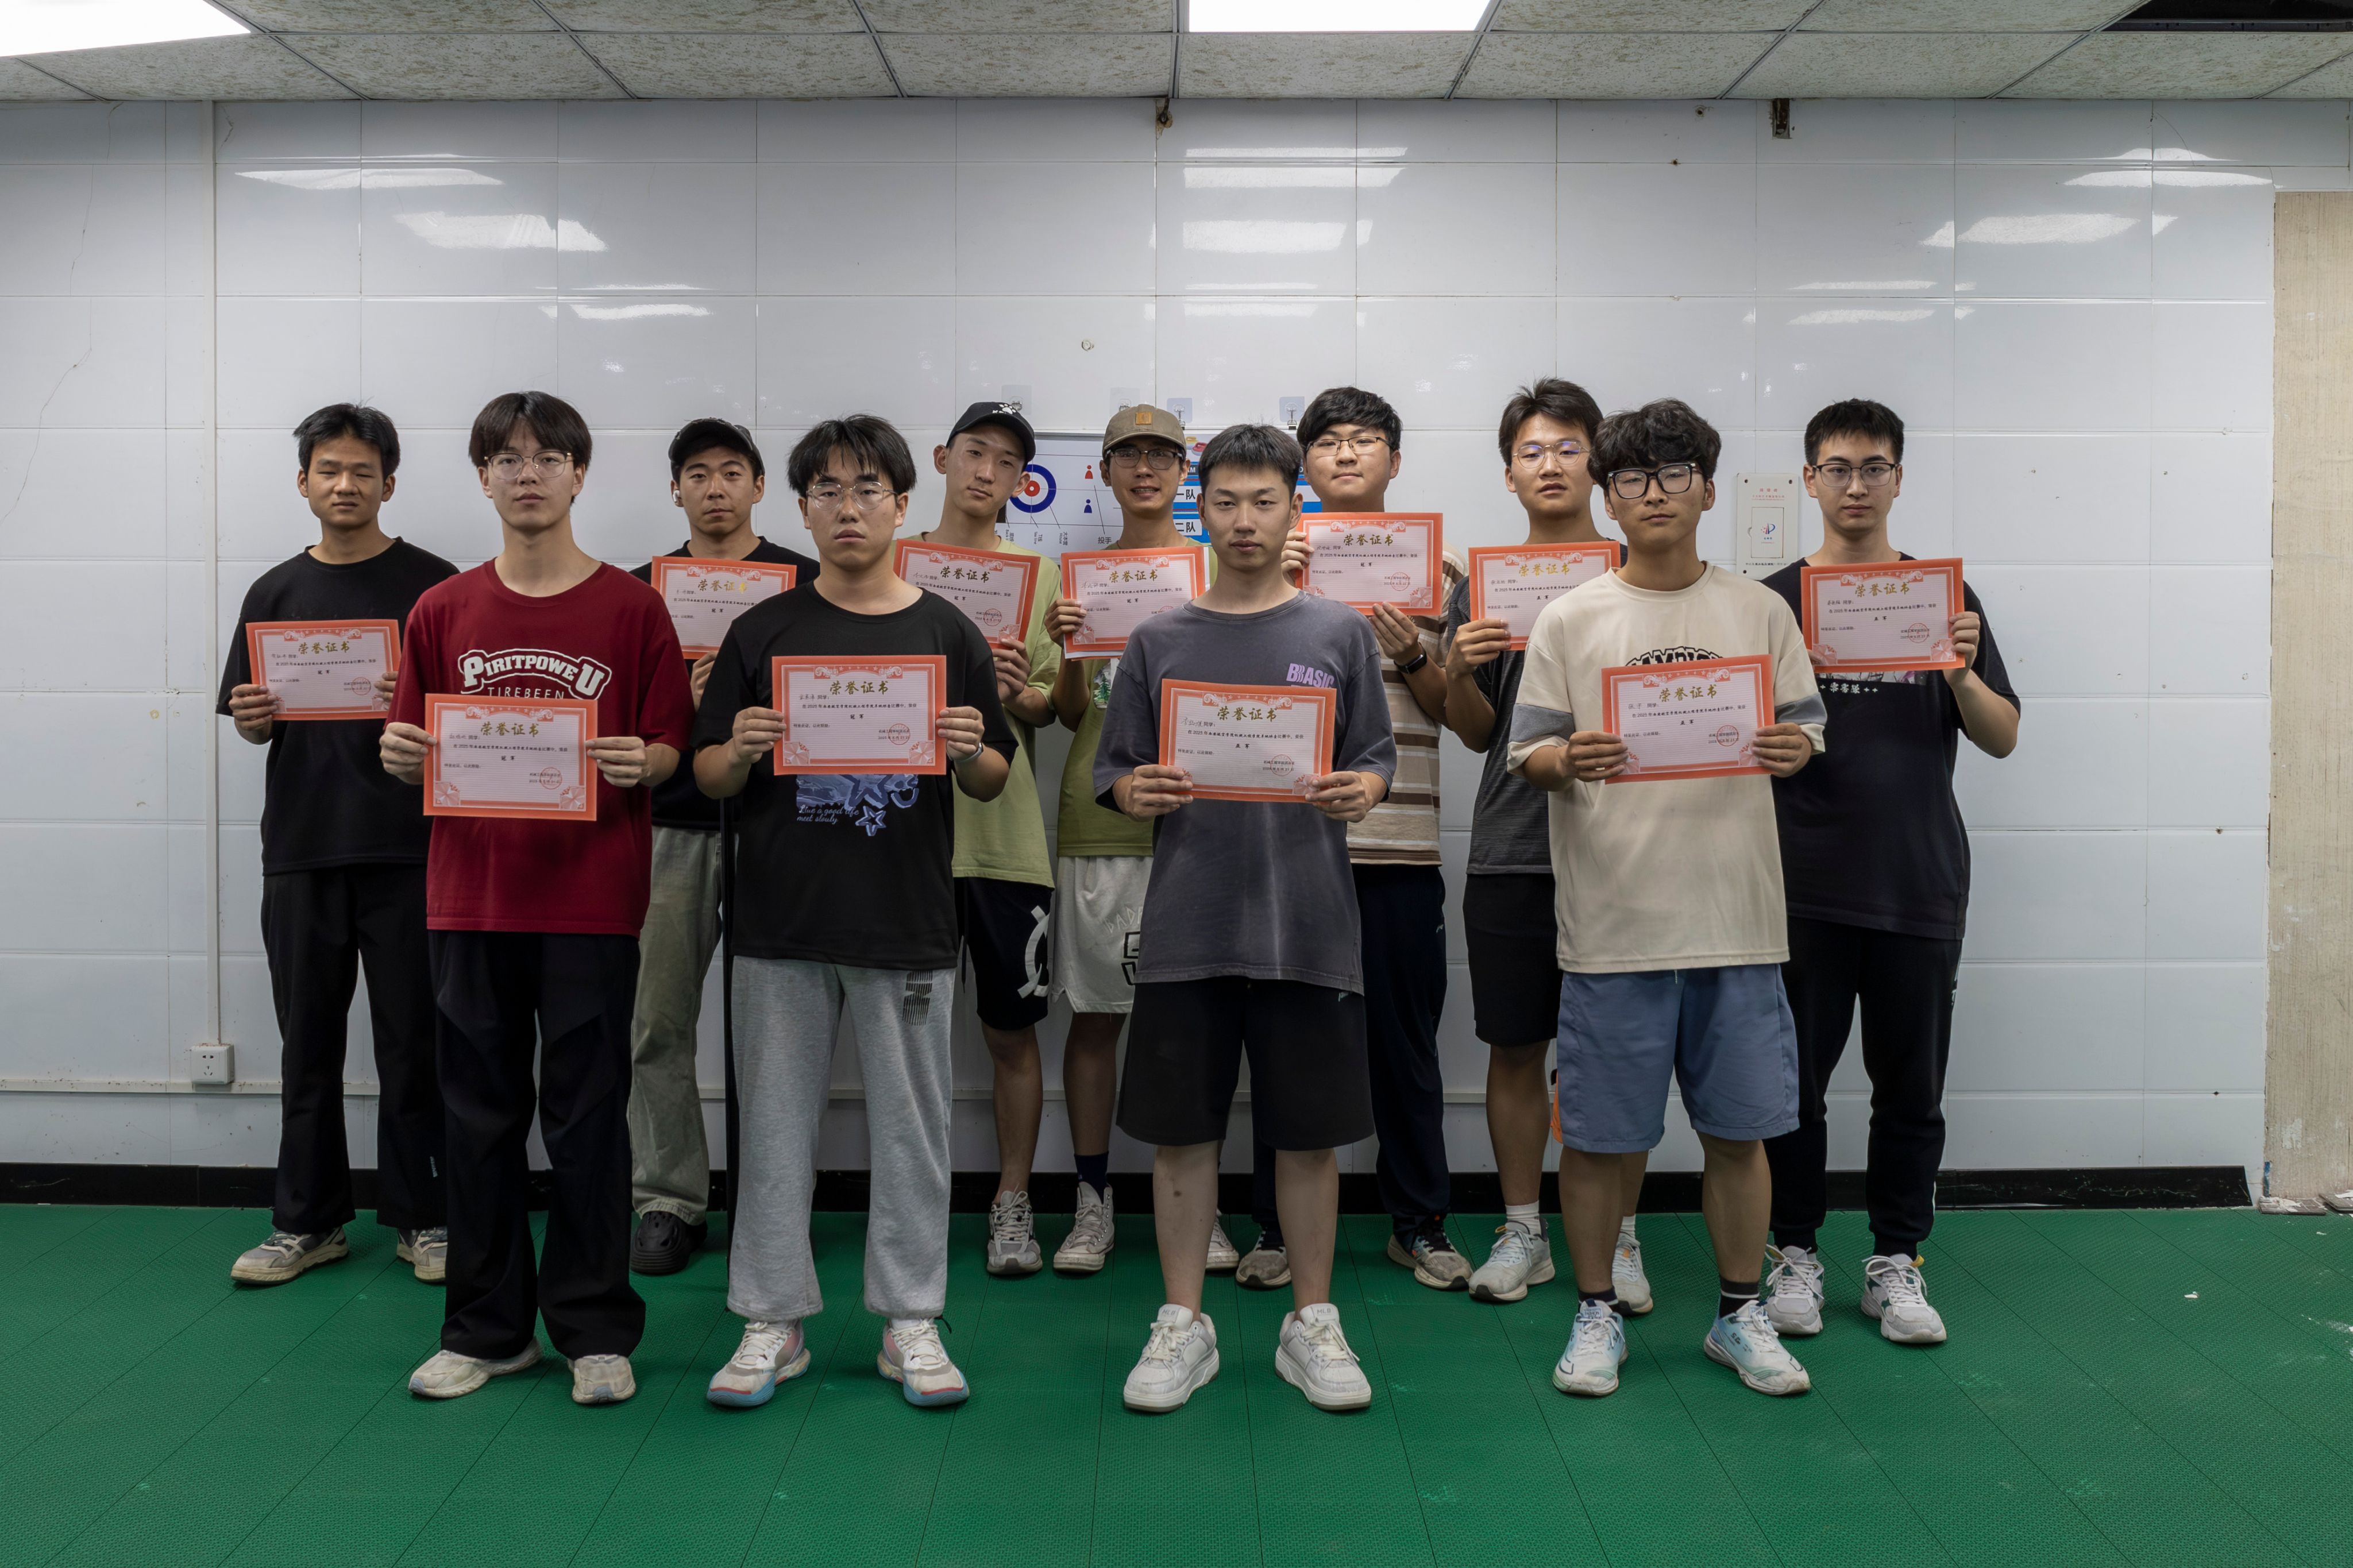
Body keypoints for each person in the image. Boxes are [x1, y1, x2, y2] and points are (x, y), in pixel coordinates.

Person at [1506, 398, 1825, 1400]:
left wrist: (1794, 746)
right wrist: (1570, 756)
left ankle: (1739, 1314)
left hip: (1738, 922)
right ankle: (1596, 1310)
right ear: (1609, 497)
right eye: (1634, 478)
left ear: (1708, 489)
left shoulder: (1759, 612)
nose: (1655, 493)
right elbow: (1528, 754)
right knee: (1601, 1141)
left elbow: (1806, 729)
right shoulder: (1571, 617)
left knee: (1740, 1133)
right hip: (1614, 926)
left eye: (1675, 473)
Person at [693, 415, 1014, 1411]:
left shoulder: (946, 631)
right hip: (779, 921)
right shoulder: (762, 630)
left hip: (905, 918)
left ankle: (910, 1318)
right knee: (774, 1127)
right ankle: (771, 1319)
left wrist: (969, 747)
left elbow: (995, 775)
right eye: (827, 490)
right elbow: (706, 773)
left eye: (868, 487)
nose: (848, 506)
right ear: (802, 509)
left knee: (913, 1129)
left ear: (902, 504)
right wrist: (741, 748)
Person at [383, 391, 693, 1407]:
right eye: (507, 458)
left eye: (548, 456)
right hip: (470, 899)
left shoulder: (634, 609)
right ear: (482, 477)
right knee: (476, 1117)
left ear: (579, 473)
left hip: (592, 899)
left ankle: (595, 1329)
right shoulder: (441, 609)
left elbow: (671, 743)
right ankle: (486, 1328)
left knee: (590, 1118)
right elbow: (408, 740)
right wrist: (398, 753)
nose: (528, 473)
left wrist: (644, 760)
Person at [1098, 423, 1397, 1414]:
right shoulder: (1158, 639)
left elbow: (1375, 757)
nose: (1244, 520)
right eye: (1224, 501)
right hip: (1188, 928)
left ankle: (1313, 1321)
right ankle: (1183, 1321)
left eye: (1264, 501)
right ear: (1201, 510)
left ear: (1292, 507)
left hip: (1309, 927)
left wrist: (1362, 788)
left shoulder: (1338, 632)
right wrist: (1133, 790)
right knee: (1181, 1135)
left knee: (1308, 1138)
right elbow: (1114, 769)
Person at [1759, 399, 2019, 1347]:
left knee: (1911, 1089)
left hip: (1918, 882)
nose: (1856, 485)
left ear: (1899, 479)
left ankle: (1897, 1261)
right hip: (1801, 885)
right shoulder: (1771, 602)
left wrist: (1958, 673)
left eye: (1874, 467)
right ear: (1809, 480)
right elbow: (1734, 739)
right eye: (1838, 467)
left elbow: (2002, 735)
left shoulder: (1943, 597)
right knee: (1792, 1088)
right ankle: (1794, 1252)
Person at [219, 404, 456, 1288]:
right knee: (307, 1044)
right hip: (303, 846)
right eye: (329, 469)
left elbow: (472, 718)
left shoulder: (436, 589)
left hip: (413, 847)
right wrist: (252, 718)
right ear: (303, 482)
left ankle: (426, 1216)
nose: (345, 485)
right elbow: (252, 722)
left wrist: (418, 697)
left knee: (416, 1043)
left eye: (362, 470)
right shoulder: (273, 593)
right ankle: (307, 1220)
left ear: (390, 482)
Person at [1236, 386, 1464, 1293]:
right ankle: (1275, 1226)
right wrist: (1282, 589)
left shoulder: (1440, 572)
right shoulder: (1264, 562)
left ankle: (1420, 1222)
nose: (1344, 453)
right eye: (1327, 441)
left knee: (1406, 1046)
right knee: (1284, 1043)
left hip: (1400, 847)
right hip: (1288, 848)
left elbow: (1456, 716)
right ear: (1305, 465)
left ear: (1394, 462)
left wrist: (1413, 655)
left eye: (1365, 440)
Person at [1440, 379, 1652, 1309]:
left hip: (1628, 848)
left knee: (1620, 1052)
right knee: (1516, 1045)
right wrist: (1454, 666)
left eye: (1570, 447)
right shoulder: (1484, 588)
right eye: (1532, 451)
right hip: (1514, 847)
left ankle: (1623, 1237)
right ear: (1509, 474)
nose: (1551, 464)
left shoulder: (1644, 570)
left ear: (1598, 464)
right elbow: (1477, 733)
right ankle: (1524, 1228)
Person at [1042, 405, 1240, 1276]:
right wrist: (1069, 650)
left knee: (1199, 1021)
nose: (1147, 468)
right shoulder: (1075, 579)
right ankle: (1093, 1202)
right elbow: (1071, 714)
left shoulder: (1218, 568)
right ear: (1105, 471)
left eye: (1163, 454)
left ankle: (1205, 1205)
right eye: (1130, 455)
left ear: (1185, 471)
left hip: (1206, 819)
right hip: (1102, 822)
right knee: (1094, 1017)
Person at [623, 419, 817, 1276]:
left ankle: (773, 1203)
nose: (714, 488)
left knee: (782, 1028)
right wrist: (681, 691)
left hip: (780, 824)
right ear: (676, 490)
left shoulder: (804, 583)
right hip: (669, 827)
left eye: (731, 472)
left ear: (759, 486)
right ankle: (667, 1198)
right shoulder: (640, 594)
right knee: (657, 1019)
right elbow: (619, 715)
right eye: (696, 474)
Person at [910, 404, 1067, 1278]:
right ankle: (913, 1201)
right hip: (904, 837)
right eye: (975, 452)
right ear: (942, 457)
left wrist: (1016, 690)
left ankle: (1012, 1201)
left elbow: (1050, 701)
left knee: (1013, 1033)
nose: (987, 472)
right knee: (905, 1036)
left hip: (1005, 840)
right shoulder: (894, 563)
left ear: (1021, 482)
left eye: (1007, 462)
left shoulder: (1037, 576)